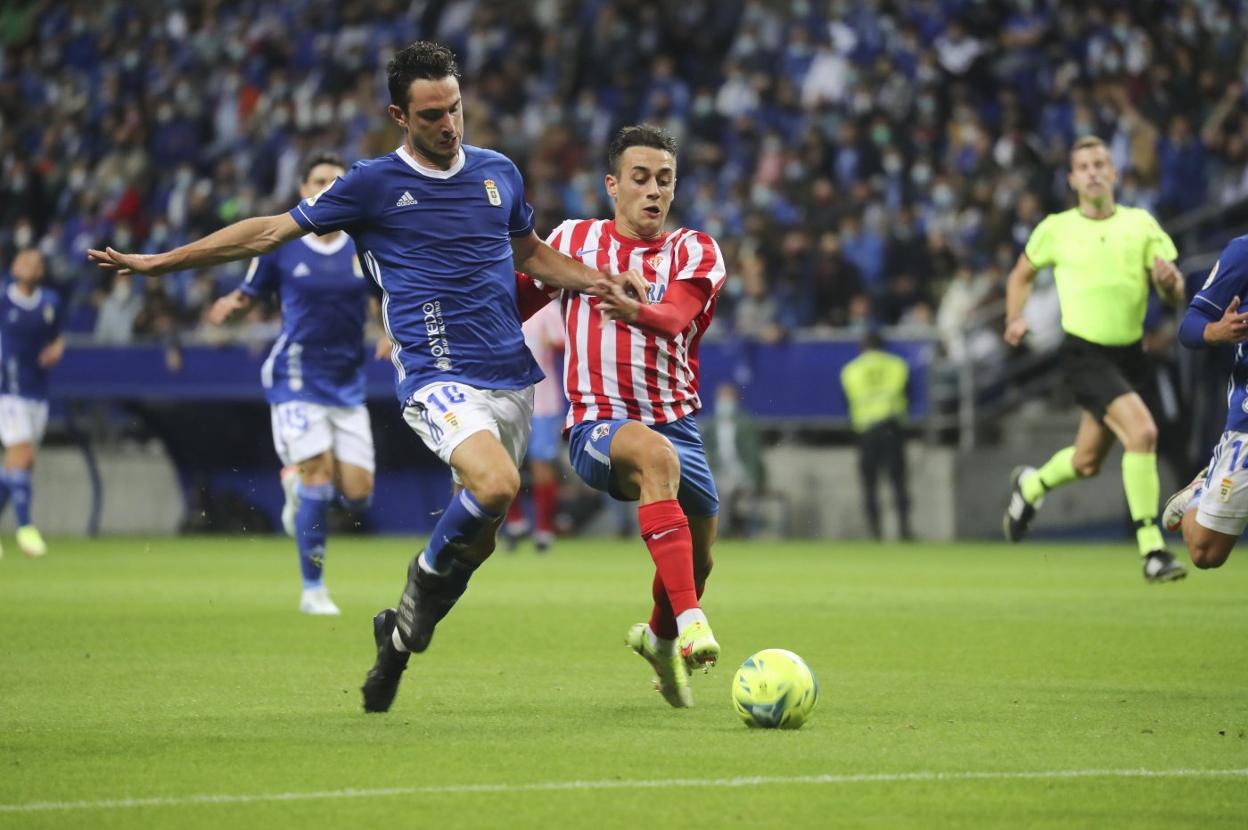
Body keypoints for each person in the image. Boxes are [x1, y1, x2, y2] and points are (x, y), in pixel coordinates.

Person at [89, 42, 642, 713]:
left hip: (510, 376)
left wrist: (601, 280)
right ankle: (412, 594)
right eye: (432, 113)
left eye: (455, 109)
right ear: (399, 115)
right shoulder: (370, 184)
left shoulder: (499, 173)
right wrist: (162, 262)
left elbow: (532, 254)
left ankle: (401, 634)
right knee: (498, 484)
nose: (449, 124)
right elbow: (267, 233)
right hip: (435, 371)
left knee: (482, 535)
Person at [516, 124, 726, 708]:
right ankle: (691, 624)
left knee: (701, 555)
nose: (653, 191)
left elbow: (675, 318)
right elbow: (517, 300)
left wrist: (633, 307)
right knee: (654, 459)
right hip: (597, 425)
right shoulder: (574, 241)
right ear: (613, 184)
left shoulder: (696, 251)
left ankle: (659, 640)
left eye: (664, 180)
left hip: (678, 421)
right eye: (640, 179)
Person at [207, 151, 388, 616]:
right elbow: (251, 290)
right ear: (304, 189)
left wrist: (389, 331)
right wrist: (232, 305)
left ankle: (296, 485)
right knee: (319, 474)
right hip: (296, 375)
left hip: (346, 383)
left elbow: (386, 295)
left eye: (336, 180)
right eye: (319, 180)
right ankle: (313, 589)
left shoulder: (362, 243)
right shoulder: (285, 243)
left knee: (359, 493)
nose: (328, 187)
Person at [1001, 135, 1188, 583]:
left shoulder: (1141, 225)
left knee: (1087, 461)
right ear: (1072, 179)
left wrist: (1169, 281)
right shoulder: (1057, 227)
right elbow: (1021, 274)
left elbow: (1174, 289)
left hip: (1130, 355)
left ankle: (1031, 485)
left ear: (1115, 173)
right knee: (1142, 432)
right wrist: (1013, 317)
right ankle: (1153, 550)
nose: (1093, 171)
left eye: (1100, 163)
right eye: (1083, 165)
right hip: (1084, 353)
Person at [1161, 235, 1248, 569]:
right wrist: (1218, 331)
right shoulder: (1243, 252)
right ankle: (1201, 491)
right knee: (1205, 552)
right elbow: (1190, 325)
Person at [0, 249, 64, 558]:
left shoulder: (50, 302)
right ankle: (26, 530)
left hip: (37, 393)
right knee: (22, 455)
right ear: (14, 265)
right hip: (7, 392)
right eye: (25, 260)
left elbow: (57, 338)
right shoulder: (3, 297)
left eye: (37, 262)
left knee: (17, 465)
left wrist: (56, 351)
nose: (31, 265)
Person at [502, 299, 565, 552]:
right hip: (507, 399)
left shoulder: (546, 309)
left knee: (541, 463)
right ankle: (516, 522)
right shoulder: (501, 306)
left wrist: (556, 342)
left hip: (543, 402)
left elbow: (566, 343)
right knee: (505, 463)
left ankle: (543, 529)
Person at [840, 330, 913, 540]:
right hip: (892, 428)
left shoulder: (851, 369)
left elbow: (847, 402)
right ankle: (904, 529)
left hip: (866, 431)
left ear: (861, 347)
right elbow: (908, 394)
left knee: (869, 485)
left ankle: (875, 532)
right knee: (898, 482)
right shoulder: (897, 365)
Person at [700, 382, 766, 537]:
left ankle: (723, 529)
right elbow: (705, 450)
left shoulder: (745, 423)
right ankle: (717, 528)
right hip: (718, 471)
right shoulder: (711, 424)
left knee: (726, 488)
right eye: (722, 397)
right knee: (719, 487)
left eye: (728, 397)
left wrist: (755, 478)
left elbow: (752, 454)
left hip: (740, 471)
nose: (725, 402)